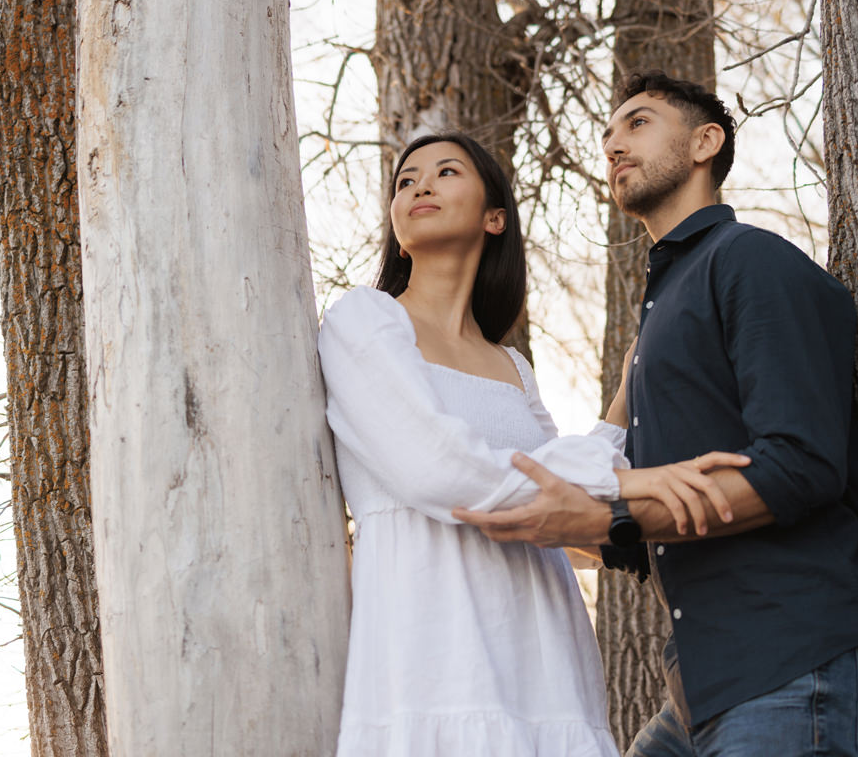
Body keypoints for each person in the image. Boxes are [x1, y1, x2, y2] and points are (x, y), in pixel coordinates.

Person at [455, 72, 858, 756]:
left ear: (705, 142)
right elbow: (643, 523)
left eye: (637, 123)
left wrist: (612, 517)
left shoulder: (750, 261)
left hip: (796, 663)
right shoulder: (665, 307)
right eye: (606, 135)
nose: (612, 145)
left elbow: (802, 465)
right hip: (701, 689)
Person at [317, 131, 748, 757]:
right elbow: (438, 470)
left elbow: (571, 520)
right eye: (406, 181)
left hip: (544, 661)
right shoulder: (362, 319)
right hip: (433, 656)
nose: (420, 187)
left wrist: (624, 403)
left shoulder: (512, 366)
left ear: (496, 217)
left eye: (444, 172)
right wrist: (626, 484)